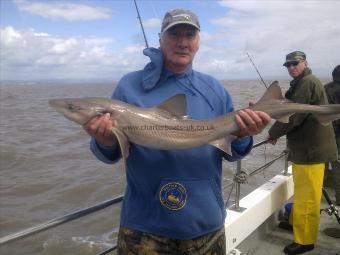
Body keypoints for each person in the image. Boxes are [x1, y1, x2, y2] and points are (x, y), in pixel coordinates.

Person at [84, 9, 270, 254]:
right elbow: (111, 154)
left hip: (206, 225)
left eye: (189, 35)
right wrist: (105, 141)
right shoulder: (130, 86)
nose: (182, 42)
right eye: (174, 35)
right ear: (160, 38)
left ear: (198, 41)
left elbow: (232, 153)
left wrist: (245, 135)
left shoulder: (214, 89)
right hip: (144, 227)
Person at [267, 51, 337, 255]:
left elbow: (294, 115)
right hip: (307, 149)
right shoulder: (301, 82)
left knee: (308, 197)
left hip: (311, 150)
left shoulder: (307, 82)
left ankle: (305, 240)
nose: (291, 67)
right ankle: (299, 226)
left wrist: (273, 133)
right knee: (305, 194)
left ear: (305, 62)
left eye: (294, 63)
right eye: (287, 65)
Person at [324, 65, 340, 206]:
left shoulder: (326, 88)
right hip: (337, 134)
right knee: (338, 167)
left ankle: (317, 194)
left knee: (321, 165)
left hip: (325, 132)